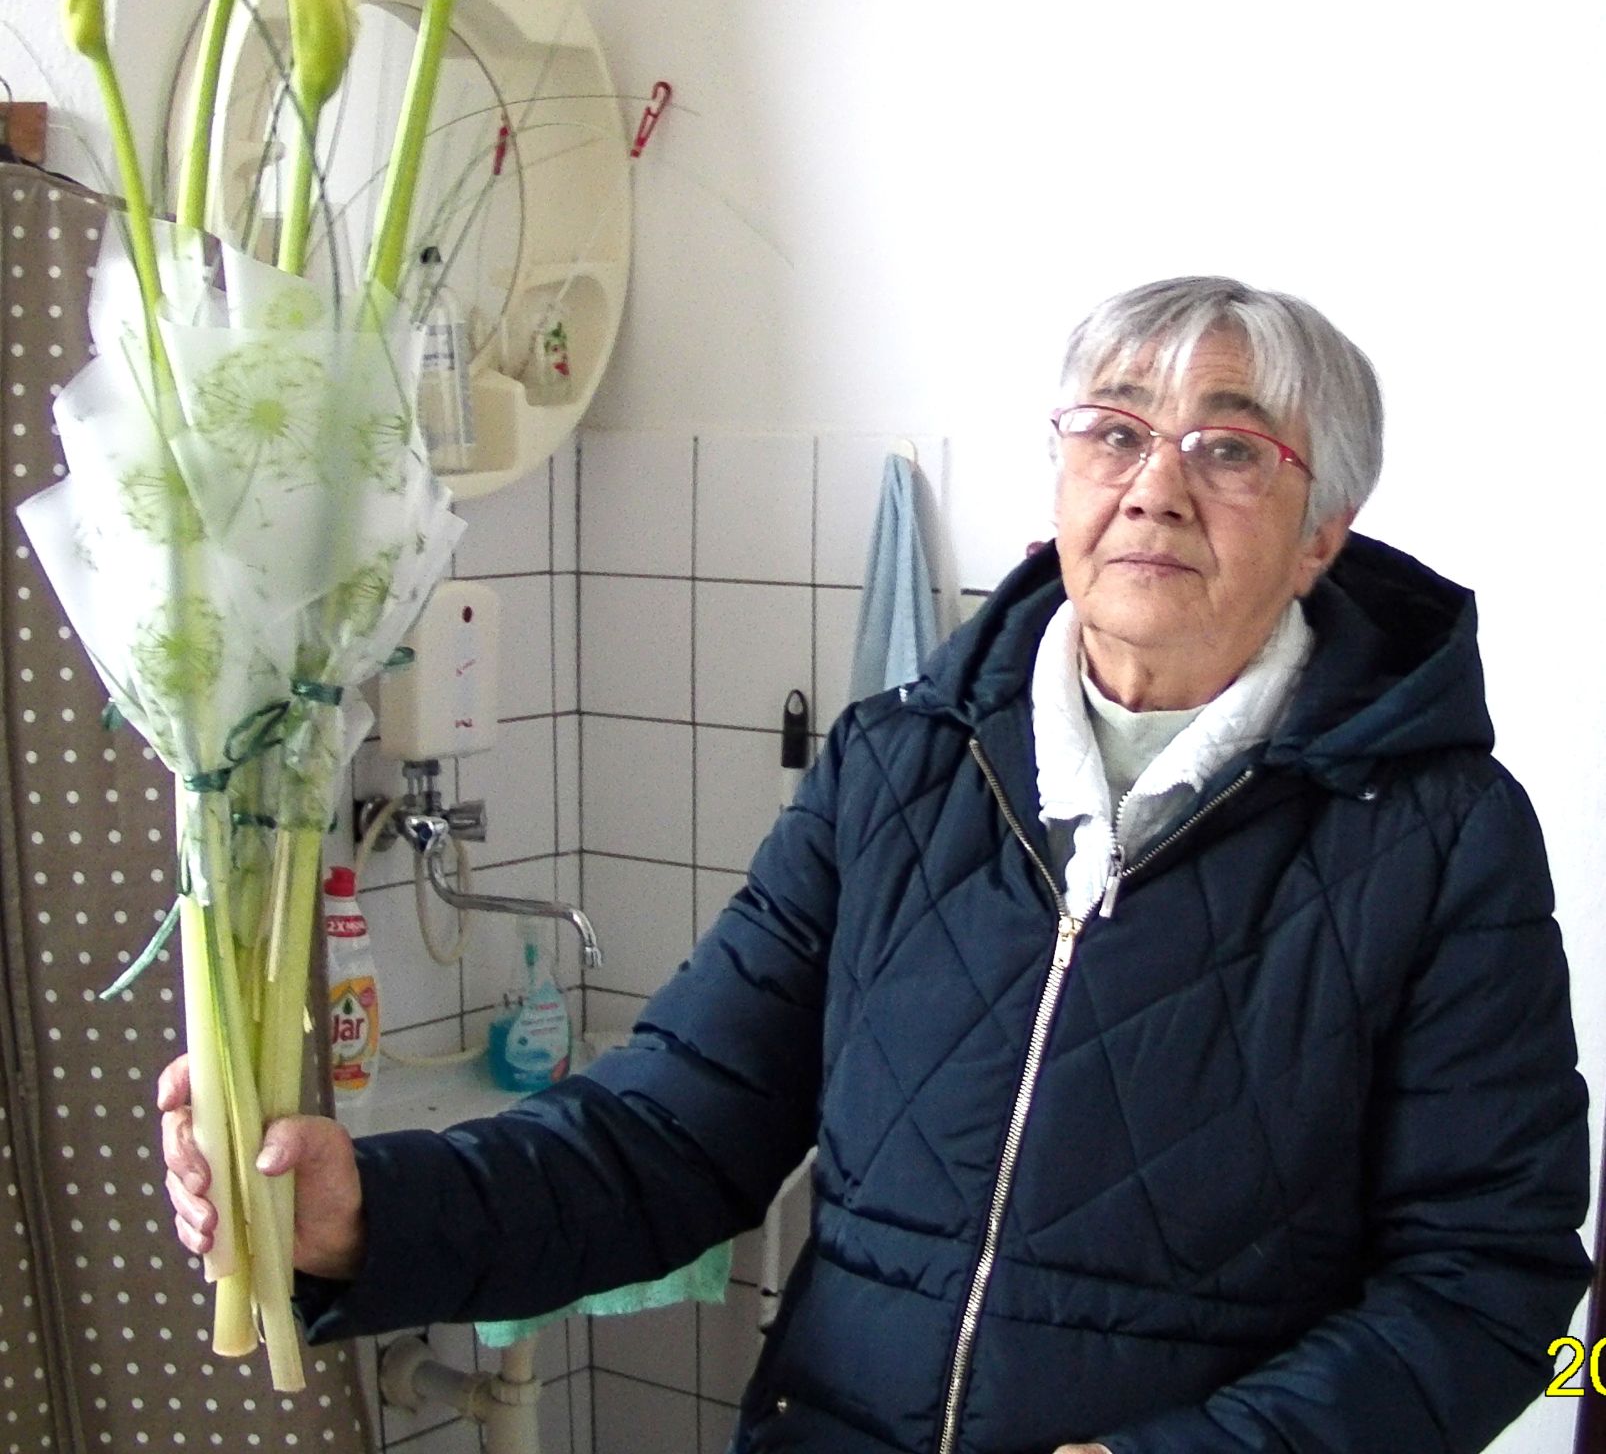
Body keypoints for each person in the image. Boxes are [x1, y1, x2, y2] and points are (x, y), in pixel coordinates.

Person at [160, 276, 1592, 1454]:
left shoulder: (1438, 836)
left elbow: (1491, 1284)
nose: (1155, 487)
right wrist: (373, 1215)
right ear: (1062, 477)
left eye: (1229, 450)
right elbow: (674, 1135)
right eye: (1113, 431)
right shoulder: (902, 767)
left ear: (1322, 533)